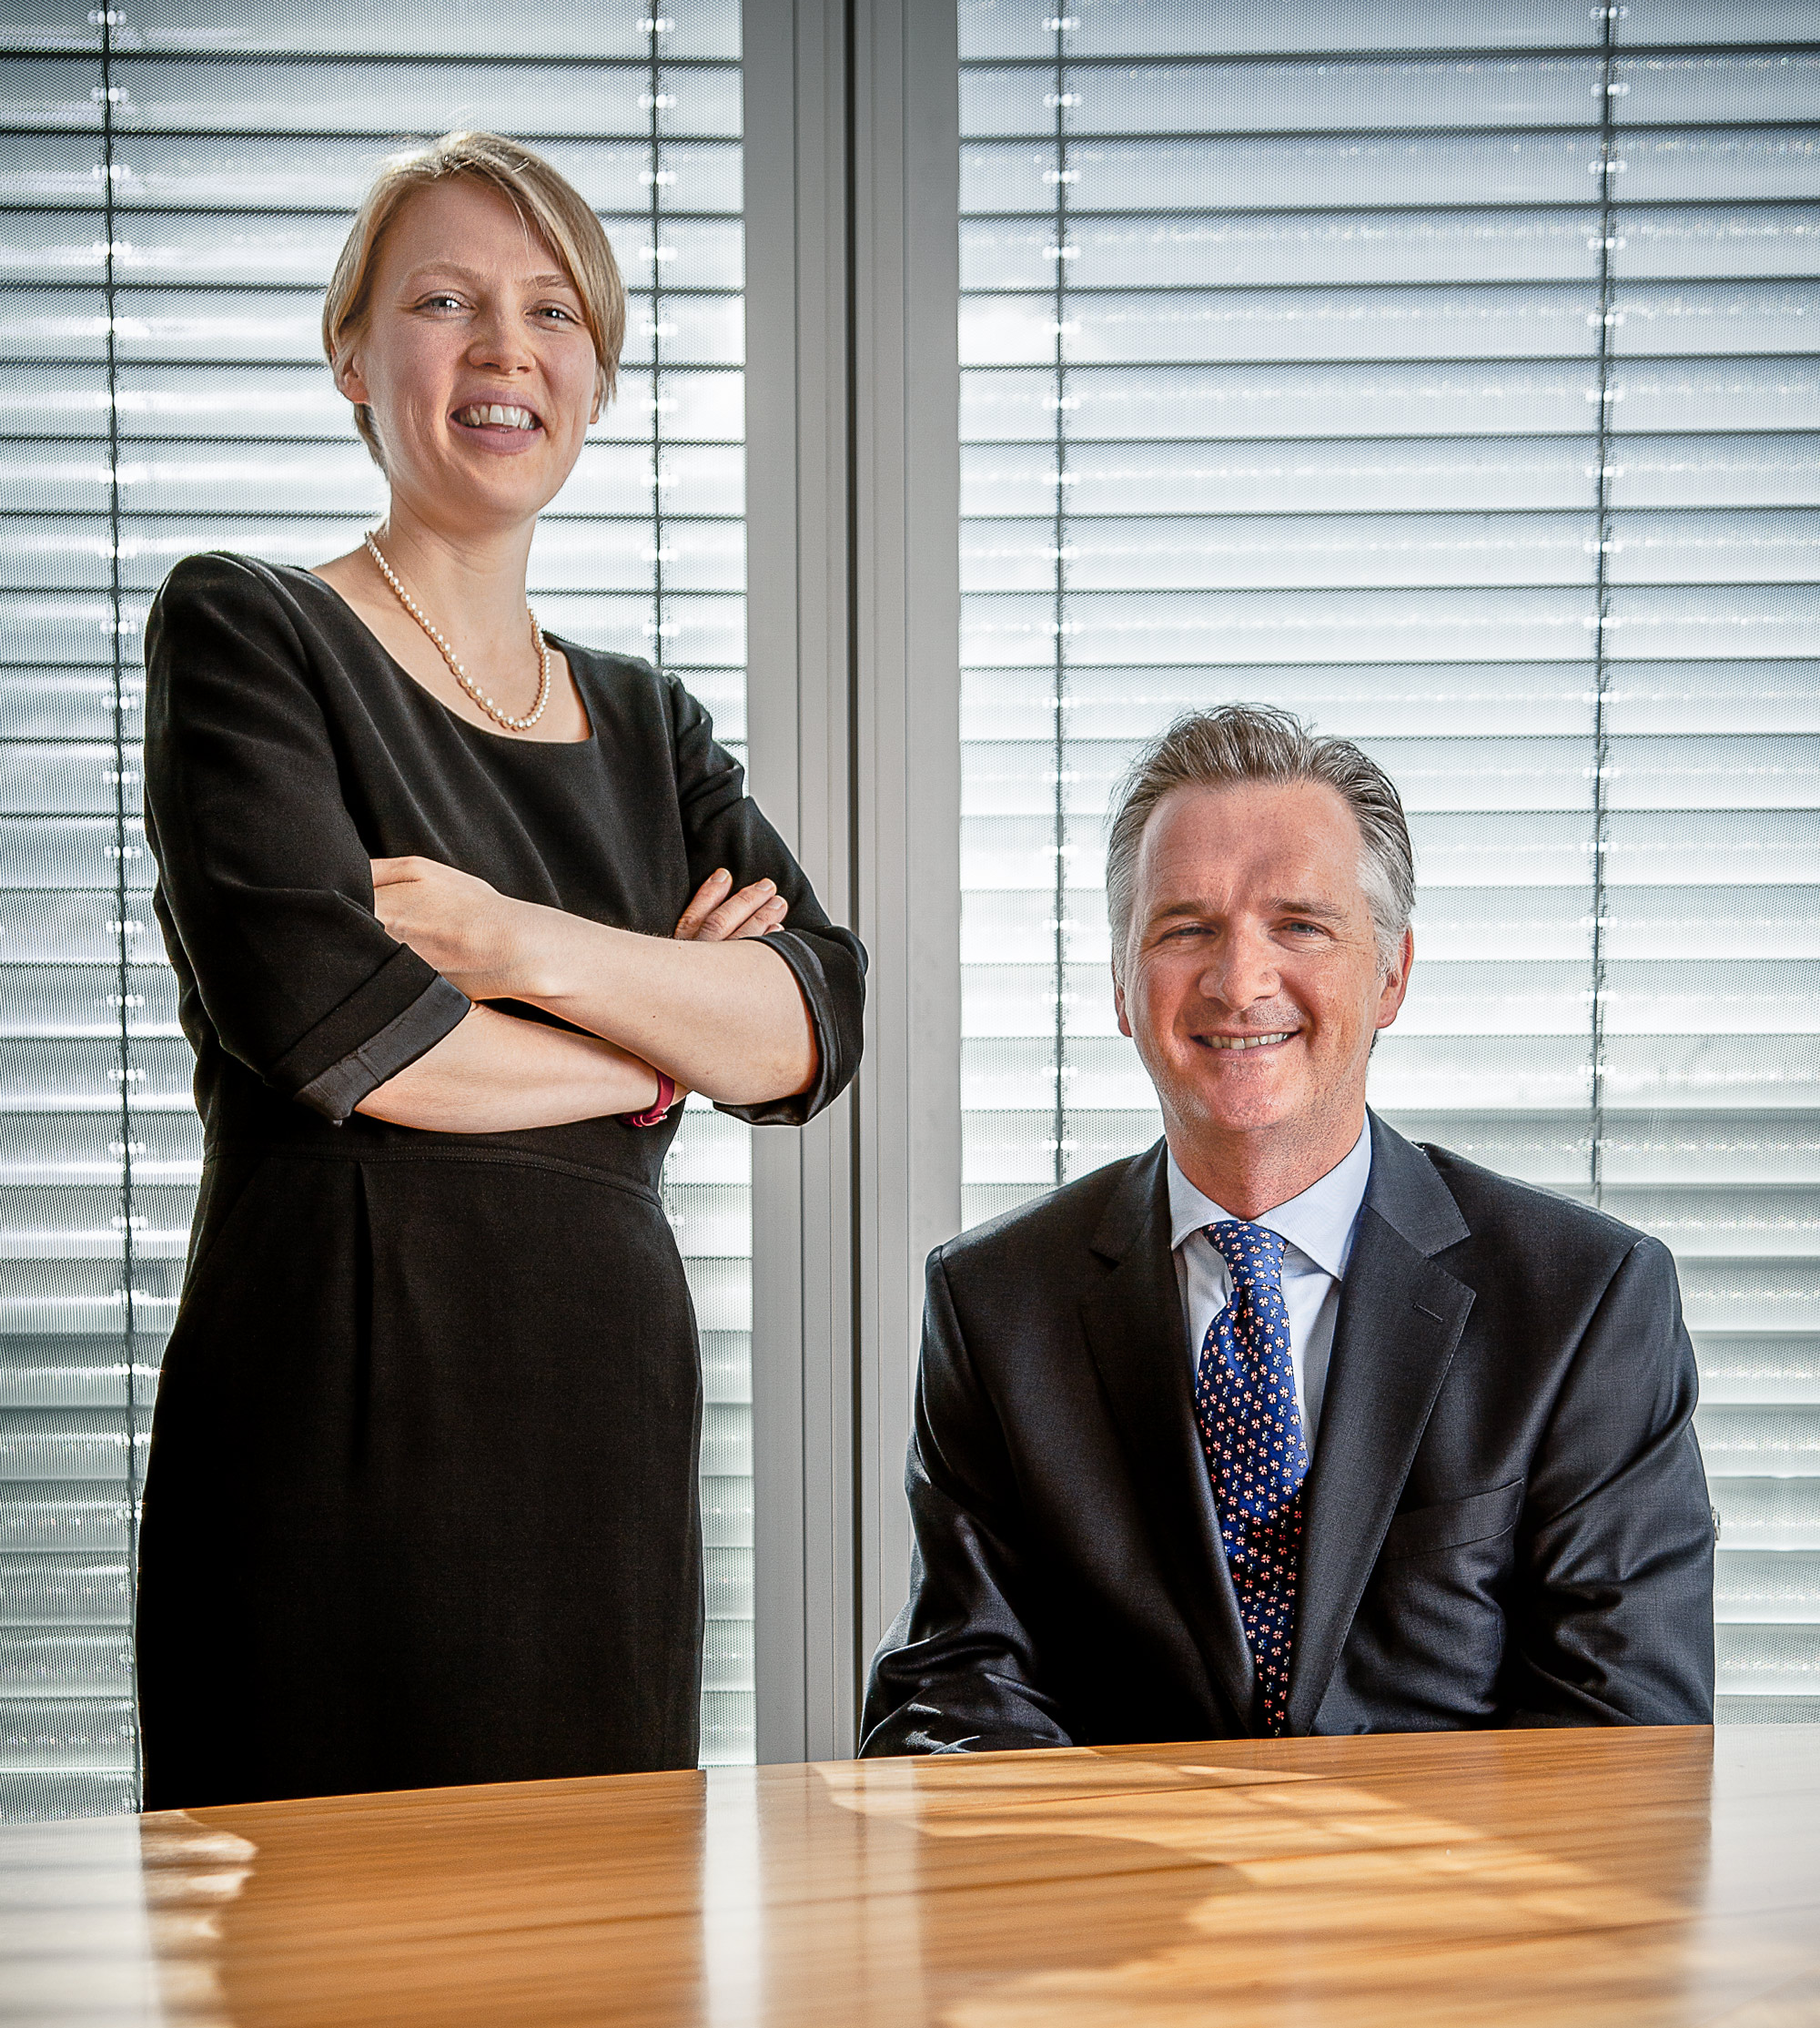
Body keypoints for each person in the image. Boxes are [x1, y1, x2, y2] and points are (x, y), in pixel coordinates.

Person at [136, 131, 864, 1808]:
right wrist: (656, 1042)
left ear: (595, 375)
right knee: (316, 2007)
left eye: (552, 312)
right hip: (337, 1410)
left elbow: (815, 1025)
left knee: (592, 2002)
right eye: (443, 301)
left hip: (598, 1441)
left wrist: (508, 942)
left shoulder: (649, 721)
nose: (502, 351)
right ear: (352, 353)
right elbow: (351, 1040)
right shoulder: (252, 632)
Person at [863, 706, 1713, 1754]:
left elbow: (1623, 1736)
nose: (1239, 981)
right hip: (1111, 1900)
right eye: (1185, 929)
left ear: (1391, 973)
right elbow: (953, 1691)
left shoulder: (1585, 1297)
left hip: (1460, 1906)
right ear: (1122, 989)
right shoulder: (993, 1301)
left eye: (1299, 925)